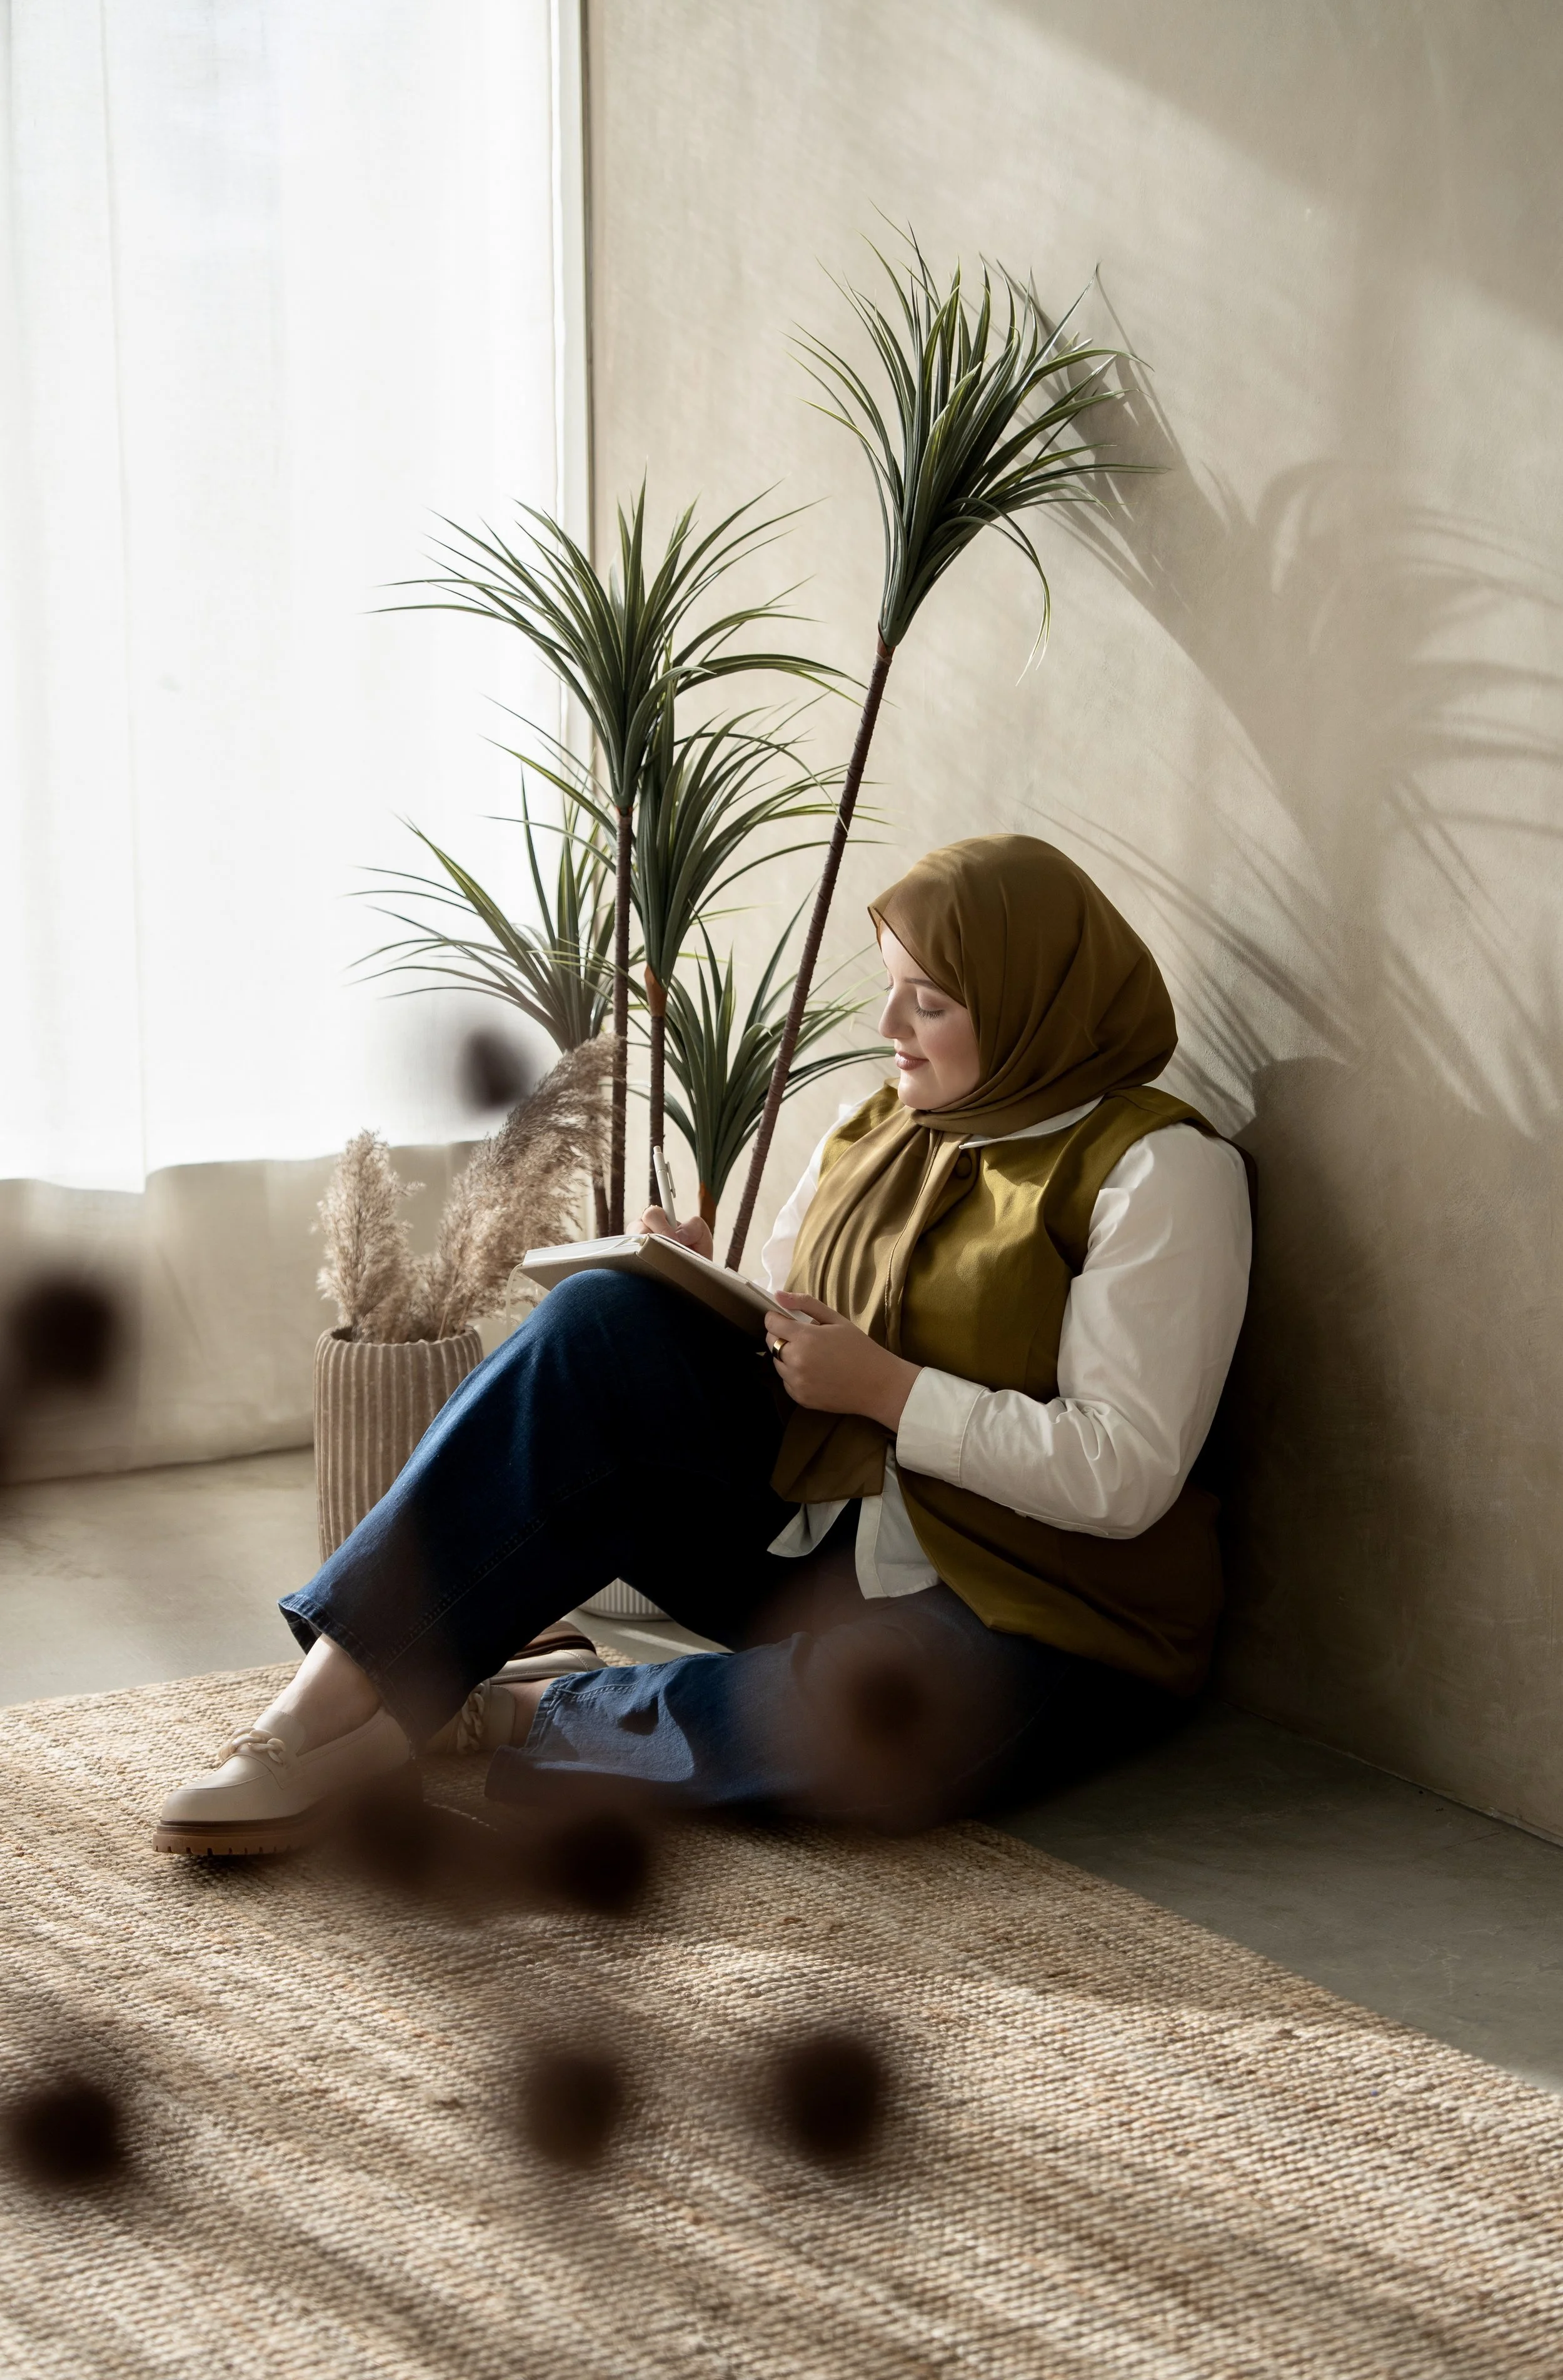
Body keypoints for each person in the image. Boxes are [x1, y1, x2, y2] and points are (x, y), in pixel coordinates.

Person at [154, 835, 1252, 1856]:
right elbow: (798, 1324)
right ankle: (317, 1715)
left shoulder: (1158, 1172)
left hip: (1046, 1609)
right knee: (601, 1322)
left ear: (1030, 1006)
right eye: (891, 988)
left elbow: (1123, 1471)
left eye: (929, 1002)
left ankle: (511, 1708)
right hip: (834, 1544)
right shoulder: (878, 1127)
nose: (890, 1025)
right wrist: (698, 1285)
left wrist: (889, 1391)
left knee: (879, 1723)